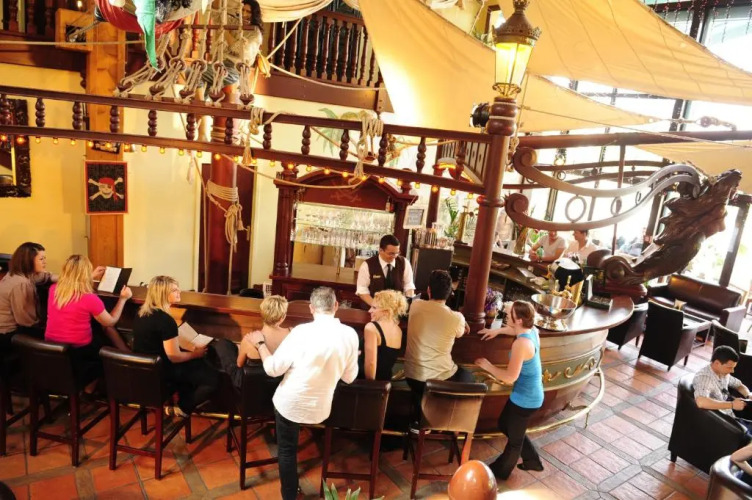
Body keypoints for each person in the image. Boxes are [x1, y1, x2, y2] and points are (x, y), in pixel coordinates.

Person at [250, 286, 358, 500]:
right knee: (290, 446)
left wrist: (261, 344)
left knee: (287, 451)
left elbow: (273, 369)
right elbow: (349, 377)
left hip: (289, 405)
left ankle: (289, 495)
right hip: (321, 409)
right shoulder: (350, 335)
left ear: (311, 308)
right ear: (336, 306)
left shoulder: (300, 332)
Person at [132, 276, 220, 417]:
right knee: (212, 378)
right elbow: (174, 357)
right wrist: (196, 354)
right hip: (160, 374)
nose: (179, 292)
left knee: (195, 367)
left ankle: (176, 402)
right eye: (174, 290)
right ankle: (183, 408)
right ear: (163, 294)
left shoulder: (140, 312)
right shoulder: (165, 320)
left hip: (143, 371)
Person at [475, 300, 544, 479]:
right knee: (504, 424)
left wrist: (488, 366)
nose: (506, 316)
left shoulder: (521, 344)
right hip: (526, 394)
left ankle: (499, 473)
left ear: (519, 320)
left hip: (526, 399)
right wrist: (496, 331)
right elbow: (514, 330)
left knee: (514, 442)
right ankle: (533, 460)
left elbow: (510, 377)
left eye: (509, 315)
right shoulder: (532, 331)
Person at [45, 255, 130, 391]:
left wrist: (90, 276)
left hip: (52, 347)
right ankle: (88, 390)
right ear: (85, 273)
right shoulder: (89, 298)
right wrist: (123, 299)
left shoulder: (54, 289)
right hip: (78, 350)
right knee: (105, 345)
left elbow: (73, 283)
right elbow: (110, 321)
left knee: (97, 329)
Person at [404, 269, 472, 421]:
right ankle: (443, 421)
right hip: (438, 381)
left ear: (429, 290)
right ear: (450, 293)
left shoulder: (415, 305)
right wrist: (461, 320)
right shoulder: (457, 318)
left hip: (411, 376)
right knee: (469, 378)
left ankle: (424, 418)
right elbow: (461, 333)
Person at [213, 295, 291, 390]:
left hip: (250, 385)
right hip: (279, 384)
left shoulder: (248, 340)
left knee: (223, 344)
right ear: (282, 317)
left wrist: (243, 347)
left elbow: (239, 364)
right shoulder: (292, 334)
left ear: (262, 314)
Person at [0, 243, 54, 347]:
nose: (45, 262)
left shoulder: (14, 274)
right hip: (7, 335)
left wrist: (64, 278)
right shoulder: (21, 284)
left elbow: (42, 276)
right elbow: (27, 321)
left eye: (45, 258)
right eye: (41, 259)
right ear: (28, 261)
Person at [693, 346, 751, 425]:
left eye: (733, 368)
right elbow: (701, 402)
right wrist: (732, 404)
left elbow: (739, 385)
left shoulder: (723, 372)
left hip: (730, 412)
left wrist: (748, 395)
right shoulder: (704, 378)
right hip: (723, 421)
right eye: (729, 367)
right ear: (717, 363)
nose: (732, 371)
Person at [359, 289, 407, 381]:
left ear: (386, 311)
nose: (369, 310)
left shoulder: (371, 328)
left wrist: (370, 386)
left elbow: (371, 364)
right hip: (386, 381)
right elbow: (385, 358)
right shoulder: (399, 331)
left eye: (374, 308)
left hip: (367, 382)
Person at [356, 234, 415, 306]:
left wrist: (409, 302)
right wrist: (375, 306)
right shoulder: (367, 265)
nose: (394, 256)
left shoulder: (404, 263)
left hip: (396, 309)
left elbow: (409, 285)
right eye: (391, 254)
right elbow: (362, 290)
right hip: (373, 308)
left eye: (397, 253)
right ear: (380, 250)